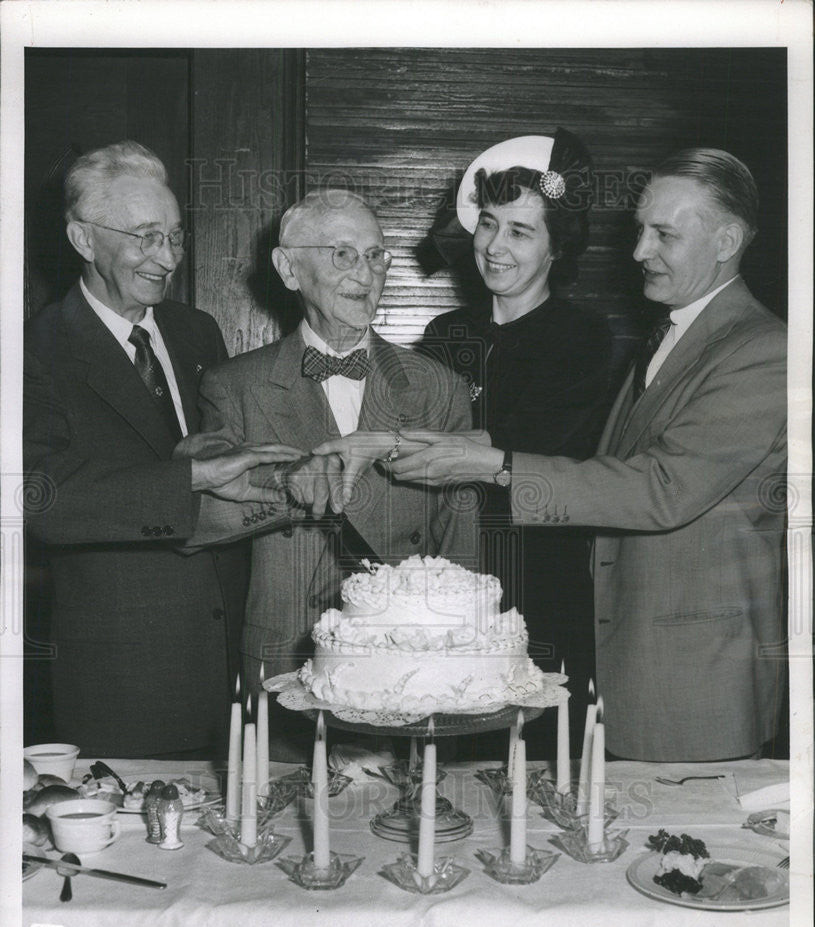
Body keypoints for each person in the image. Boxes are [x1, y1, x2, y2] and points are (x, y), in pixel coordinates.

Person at [317, 148, 787, 763]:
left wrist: (493, 463)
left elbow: (661, 488)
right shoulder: (670, 332)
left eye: (663, 234)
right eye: (639, 231)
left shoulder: (761, 348)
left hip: (685, 668)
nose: (640, 251)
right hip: (600, 646)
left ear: (726, 240)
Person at [23, 141, 300, 758]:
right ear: (82, 239)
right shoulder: (33, 350)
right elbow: (36, 496)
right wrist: (191, 475)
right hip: (125, 674)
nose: (167, 257)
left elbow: (184, 459)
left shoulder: (194, 330)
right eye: (146, 237)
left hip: (227, 653)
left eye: (175, 236)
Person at [183, 189, 476, 757]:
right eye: (342, 254)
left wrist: (459, 658)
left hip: (410, 666)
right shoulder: (233, 386)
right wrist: (289, 487)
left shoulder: (439, 386)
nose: (365, 273)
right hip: (286, 664)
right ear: (289, 269)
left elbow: (458, 540)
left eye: (375, 255)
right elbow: (197, 520)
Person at [417, 131, 613, 756]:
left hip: (539, 585)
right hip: (450, 583)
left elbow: (521, 447)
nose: (495, 247)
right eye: (488, 224)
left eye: (521, 233)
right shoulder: (445, 333)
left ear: (559, 249)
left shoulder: (582, 337)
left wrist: (397, 444)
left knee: (537, 767)